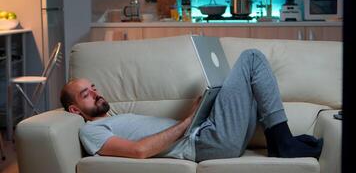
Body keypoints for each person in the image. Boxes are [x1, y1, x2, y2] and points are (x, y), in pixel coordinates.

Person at [60, 49, 323, 162]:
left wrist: (206, 106)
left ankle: (279, 141)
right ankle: (283, 142)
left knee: (247, 80)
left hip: (208, 132)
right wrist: (188, 121)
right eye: (86, 94)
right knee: (251, 58)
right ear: (75, 110)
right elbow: (139, 151)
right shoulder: (91, 130)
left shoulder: (118, 116)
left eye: (93, 87)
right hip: (204, 142)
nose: (95, 93)